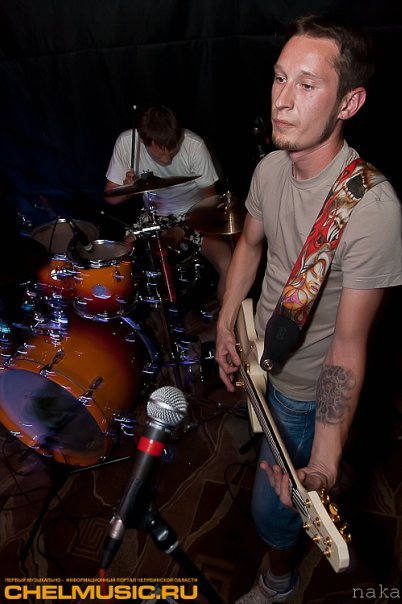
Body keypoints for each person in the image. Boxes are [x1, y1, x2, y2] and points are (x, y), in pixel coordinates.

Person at [215, 15, 402, 604]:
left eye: (307, 84)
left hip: (303, 392)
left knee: (271, 510)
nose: (282, 100)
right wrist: (226, 322)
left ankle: (278, 581)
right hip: (263, 352)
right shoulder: (271, 168)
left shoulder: (370, 209)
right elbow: (249, 247)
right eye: (279, 79)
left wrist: (322, 461)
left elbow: (348, 346)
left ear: (350, 102)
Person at [104, 105, 232, 304]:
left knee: (229, 266)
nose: (167, 159)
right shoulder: (127, 143)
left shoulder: (194, 145)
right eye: (159, 155)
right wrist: (129, 187)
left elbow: (210, 201)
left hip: (195, 214)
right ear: (144, 140)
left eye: (172, 152)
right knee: (121, 263)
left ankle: (227, 321)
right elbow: (111, 198)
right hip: (154, 215)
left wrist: (185, 228)